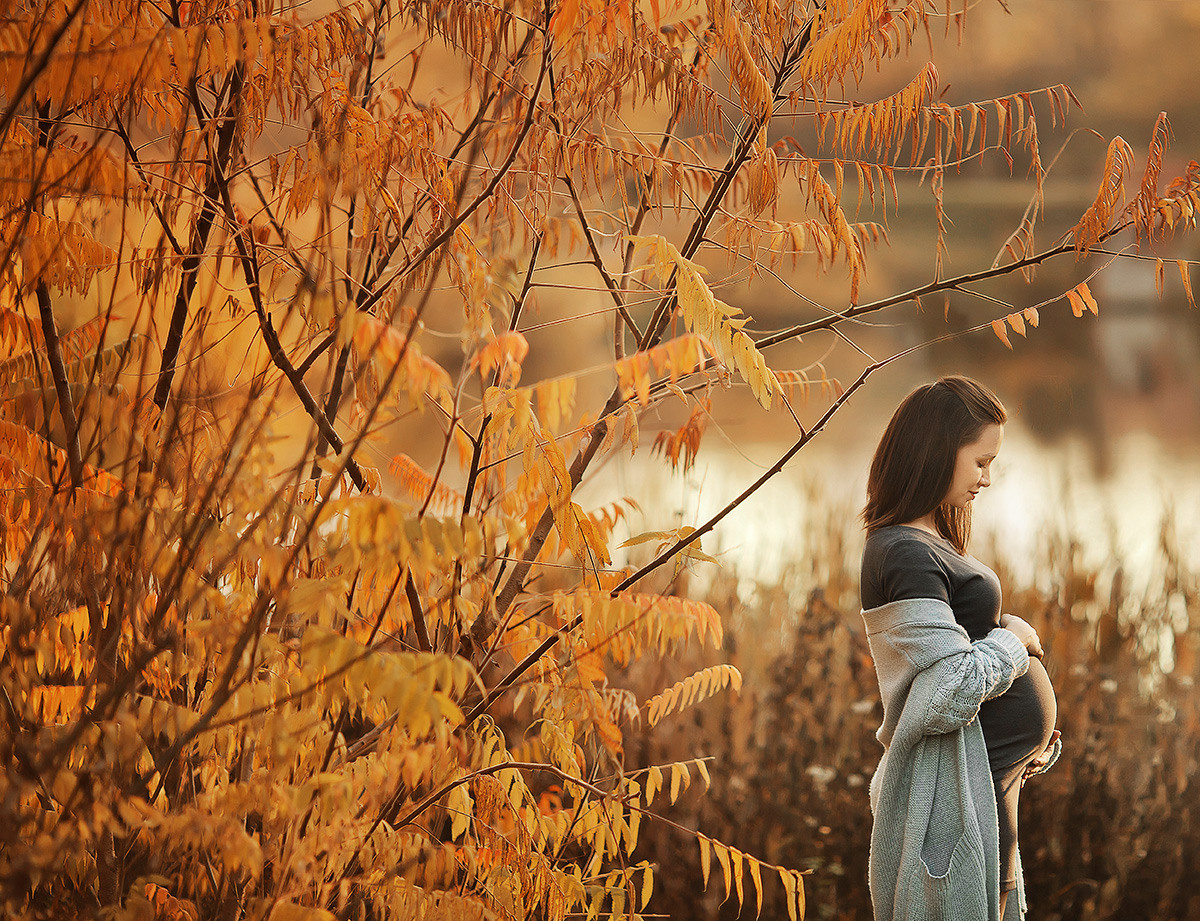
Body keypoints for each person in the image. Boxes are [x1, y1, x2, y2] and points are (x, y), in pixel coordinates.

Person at [858, 376, 1061, 921]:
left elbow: (958, 667)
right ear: (935, 453)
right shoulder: (903, 552)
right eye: (980, 462)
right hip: (962, 807)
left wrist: (1025, 746)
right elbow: (947, 694)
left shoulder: (924, 542)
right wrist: (1013, 640)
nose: (987, 479)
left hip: (986, 790)